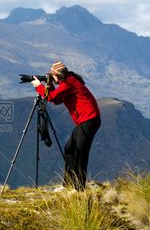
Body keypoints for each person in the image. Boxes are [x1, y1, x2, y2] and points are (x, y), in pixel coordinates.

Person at [31, 61, 101, 191]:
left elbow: (51, 98)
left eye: (52, 76)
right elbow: (57, 100)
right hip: (85, 120)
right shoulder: (68, 81)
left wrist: (39, 86)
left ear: (57, 75)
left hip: (90, 119)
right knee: (69, 148)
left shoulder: (69, 83)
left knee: (80, 153)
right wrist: (50, 84)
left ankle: (79, 188)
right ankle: (68, 183)